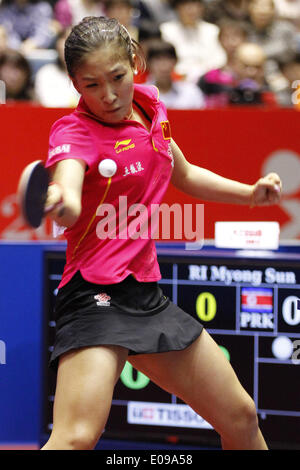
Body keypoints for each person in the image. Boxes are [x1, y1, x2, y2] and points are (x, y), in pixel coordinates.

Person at [41, 16, 282, 450]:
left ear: (135, 62)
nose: (109, 95)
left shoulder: (150, 105)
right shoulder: (74, 132)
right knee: (75, 438)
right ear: (75, 84)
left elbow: (184, 173)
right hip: (95, 297)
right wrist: (63, 201)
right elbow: (70, 190)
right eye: (90, 85)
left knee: (241, 417)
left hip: (145, 296)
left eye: (117, 77)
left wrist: (250, 193)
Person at [159, 0, 227, 83]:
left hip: (207, 80)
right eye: (187, 6)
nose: (192, 10)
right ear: (177, 8)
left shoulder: (212, 30)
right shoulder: (167, 30)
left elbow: (220, 58)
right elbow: (167, 59)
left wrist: (201, 73)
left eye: (196, 6)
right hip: (179, 79)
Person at [146, 39, 205, 109]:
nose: (163, 65)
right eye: (158, 59)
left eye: (168, 59)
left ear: (176, 62)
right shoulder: (140, 95)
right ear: (148, 63)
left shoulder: (192, 92)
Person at [34, 28, 79, 107]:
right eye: (65, 39)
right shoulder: (46, 73)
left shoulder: (91, 75)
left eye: (74, 40)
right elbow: (48, 105)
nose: (70, 45)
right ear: (57, 44)